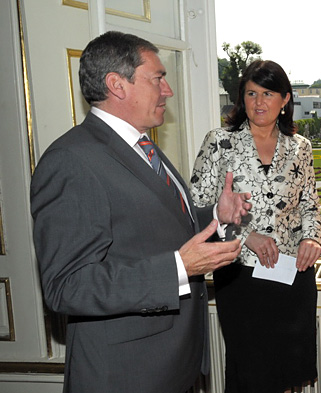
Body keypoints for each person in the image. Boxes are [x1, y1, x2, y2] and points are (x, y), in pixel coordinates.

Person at [30, 31, 251, 393]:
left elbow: (157, 225)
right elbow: (66, 286)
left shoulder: (141, 145)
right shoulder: (71, 161)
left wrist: (214, 213)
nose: (168, 91)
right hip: (125, 375)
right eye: (158, 78)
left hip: (172, 366)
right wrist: (179, 268)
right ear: (117, 85)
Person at [190, 60, 321, 393]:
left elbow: (309, 203)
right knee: (250, 371)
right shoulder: (219, 142)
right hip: (240, 276)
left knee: (288, 372)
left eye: (268, 93)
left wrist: (313, 239)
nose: (259, 102)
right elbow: (197, 207)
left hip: (293, 275)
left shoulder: (300, 147)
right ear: (241, 98)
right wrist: (245, 235)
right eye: (251, 93)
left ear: (285, 100)